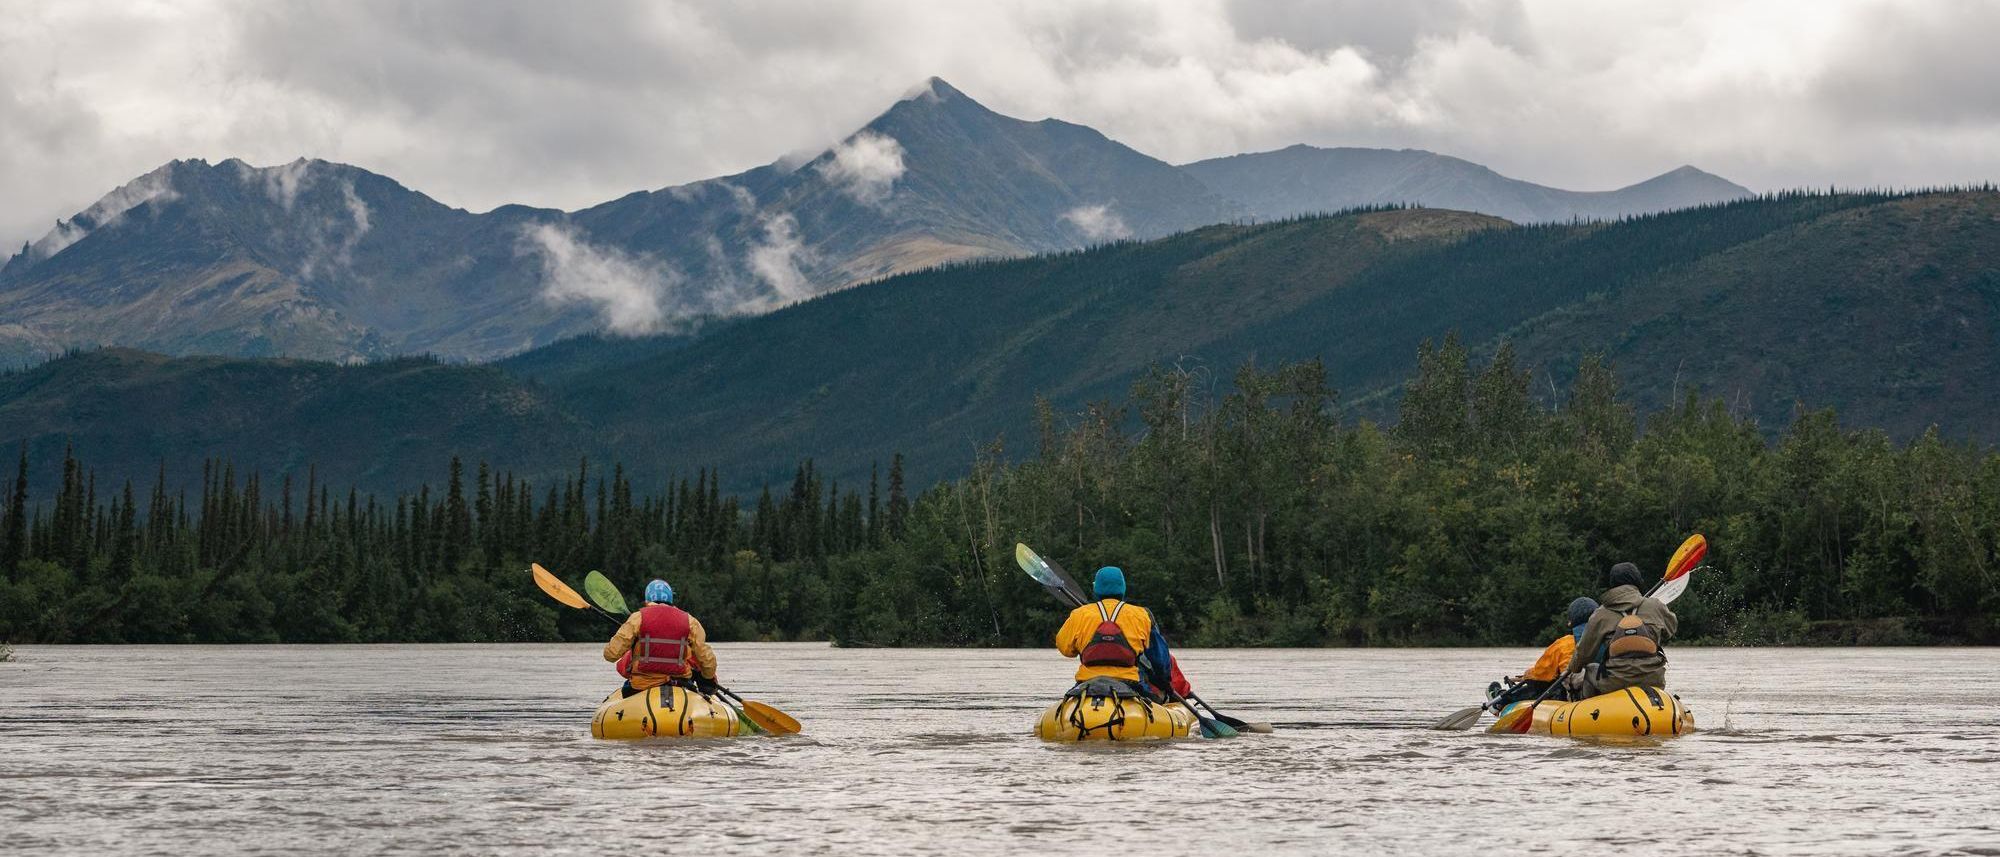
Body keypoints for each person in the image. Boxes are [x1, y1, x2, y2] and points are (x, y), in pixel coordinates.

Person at [1054, 566, 1192, 702]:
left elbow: (1066, 649)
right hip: (1130, 684)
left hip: (1087, 683)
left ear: (1096, 589)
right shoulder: (1142, 615)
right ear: (1123, 588)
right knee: (1160, 698)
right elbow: (1159, 659)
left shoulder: (1079, 614)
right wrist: (1165, 683)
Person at [1565, 561, 1678, 698]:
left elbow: (1584, 654)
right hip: (1654, 679)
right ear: (1637, 581)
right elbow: (1671, 630)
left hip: (1614, 681)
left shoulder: (1600, 614)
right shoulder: (1655, 606)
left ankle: (1589, 711)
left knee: (1590, 669)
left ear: (1612, 584)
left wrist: (1573, 669)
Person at [602, 579, 719, 698]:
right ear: (671, 600)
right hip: (680, 684)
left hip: (641, 686)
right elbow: (707, 661)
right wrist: (707, 677)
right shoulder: (690, 621)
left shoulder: (637, 618)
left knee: (626, 687)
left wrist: (631, 642)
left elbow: (611, 655)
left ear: (647, 600)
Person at [1488, 596, 1596, 709]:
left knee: (1542, 685)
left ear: (1570, 623)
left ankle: (1501, 700)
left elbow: (1540, 674)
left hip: (1574, 693)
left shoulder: (1563, 644)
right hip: (1598, 688)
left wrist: (1527, 675)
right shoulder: (1607, 638)